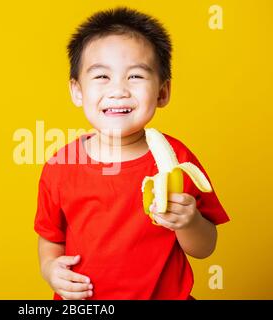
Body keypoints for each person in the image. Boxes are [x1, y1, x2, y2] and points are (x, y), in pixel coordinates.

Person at [34, 6, 230, 300]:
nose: (118, 91)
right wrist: (50, 268)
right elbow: (50, 236)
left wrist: (189, 223)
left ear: (162, 92)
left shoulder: (178, 160)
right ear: (77, 91)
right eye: (101, 77)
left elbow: (205, 248)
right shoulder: (60, 166)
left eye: (135, 76)